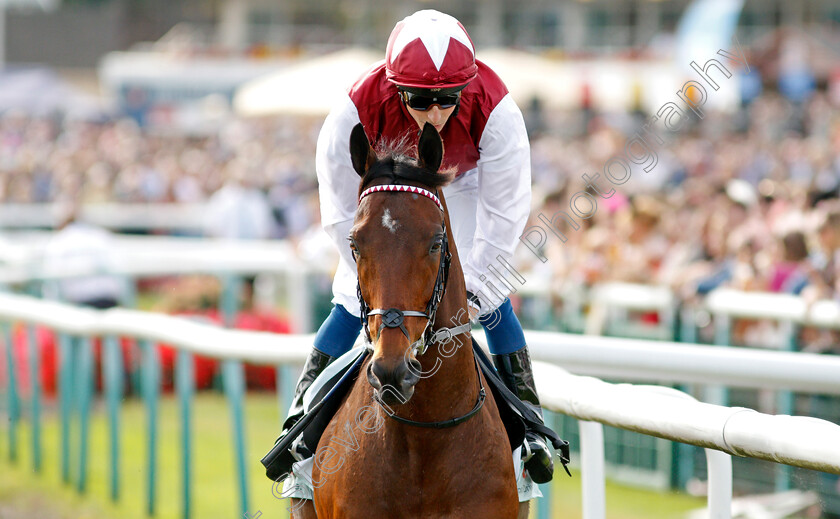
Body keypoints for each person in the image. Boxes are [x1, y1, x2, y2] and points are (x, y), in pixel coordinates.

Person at [278, 9, 554, 483]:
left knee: (494, 301)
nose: (435, 112)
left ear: (465, 87)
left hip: (465, 184)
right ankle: (298, 425)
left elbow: (506, 215)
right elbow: (342, 213)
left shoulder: (498, 111)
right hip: (384, 192)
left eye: (448, 98)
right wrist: (371, 281)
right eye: (421, 99)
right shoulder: (352, 112)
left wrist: (474, 292)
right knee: (349, 297)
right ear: (393, 85)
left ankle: (532, 432)